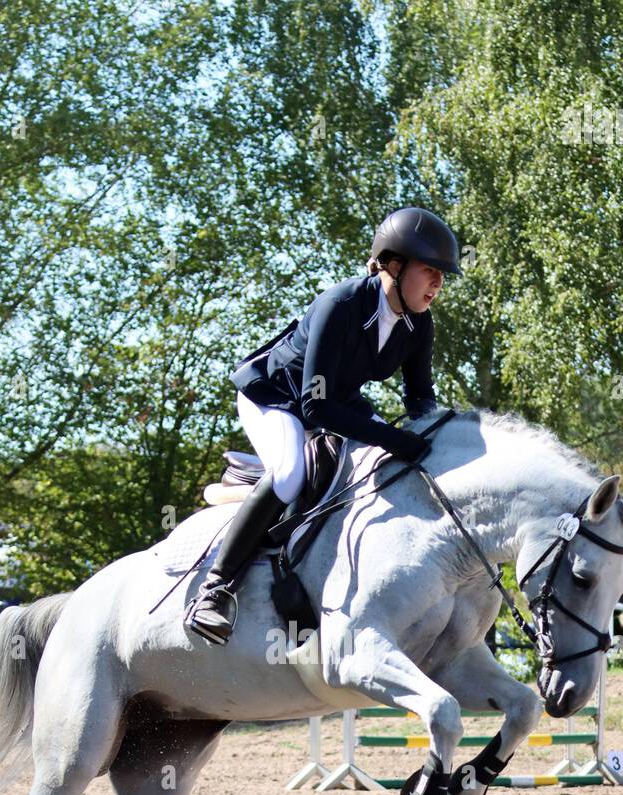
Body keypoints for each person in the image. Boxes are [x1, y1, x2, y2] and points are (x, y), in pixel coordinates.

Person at [186, 206, 462, 645]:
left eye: (442, 275)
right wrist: (393, 438)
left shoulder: (417, 323)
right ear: (393, 265)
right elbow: (316, 410)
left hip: (336, 399)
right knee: (290, 473)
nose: (438, 283)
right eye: (430, 270)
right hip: (276, 397)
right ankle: (215, 590)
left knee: (395, 461)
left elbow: (418, 399)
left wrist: (441, 435)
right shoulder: (342, 304)